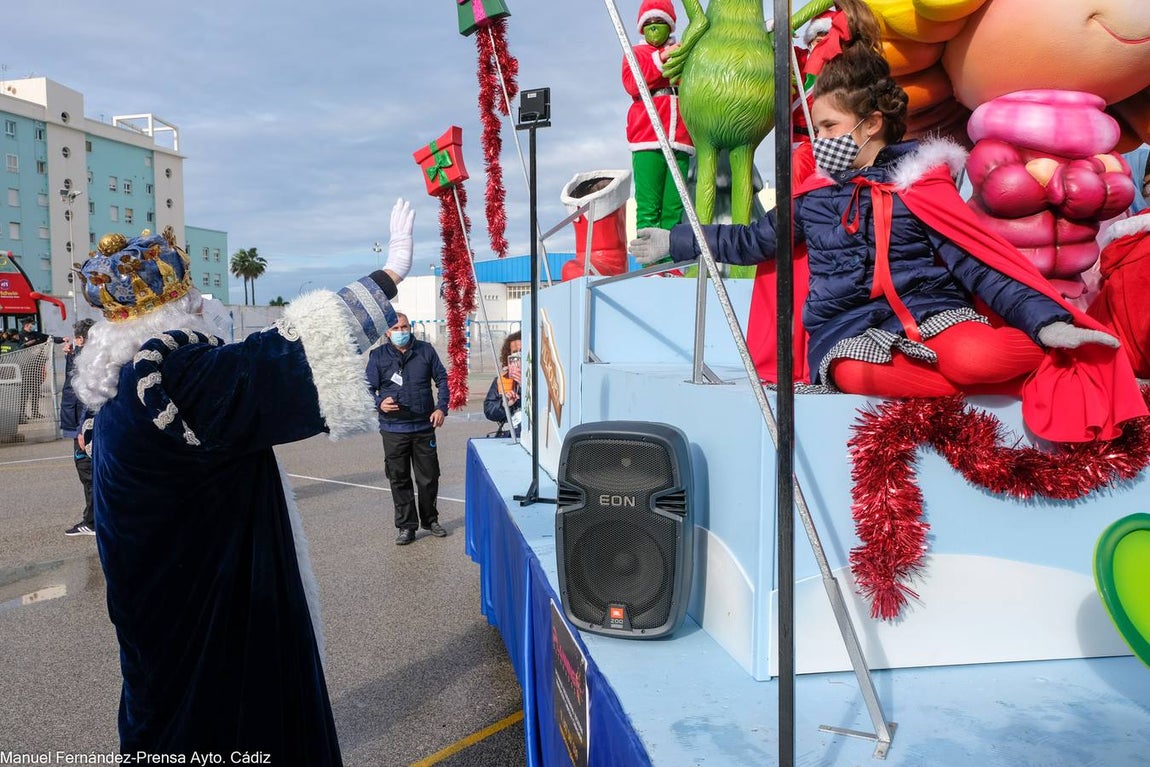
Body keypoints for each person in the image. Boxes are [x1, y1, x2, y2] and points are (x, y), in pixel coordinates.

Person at [631, 45, 1146, 443]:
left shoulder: (922, 185)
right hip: (848, 327)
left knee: (975, 362)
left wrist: (1046, 320)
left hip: (933, 313)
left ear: (870, 124)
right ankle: (962, 389)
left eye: (829, 126)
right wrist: (679, 240)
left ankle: (1055, 354)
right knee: (851, 374)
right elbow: (751, 241)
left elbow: (978, 265)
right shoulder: (810, 197)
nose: (819, 139)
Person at [72, 198, 416, 763]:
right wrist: (390, 273)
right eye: (194, 298)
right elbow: (279, 359)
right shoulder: (168, 373)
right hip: (213, 620)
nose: (205, 304)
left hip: (155, 615)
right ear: (176, 308)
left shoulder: (113, 391)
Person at [366, 312, 450, 545]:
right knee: (398, 477)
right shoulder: (378, 356)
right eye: (396, 328)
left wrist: (441, 408)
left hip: (424, 426)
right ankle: (406, 527)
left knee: (428, 477)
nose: (401, 332)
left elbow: (442, 380)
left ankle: (430, 520)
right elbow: (366, 388)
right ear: (387, 332)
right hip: (393, 429)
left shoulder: (426, 350)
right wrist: (379, 403)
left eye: (405, 327)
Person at [623, 0, 694, 232]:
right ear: (642, 27)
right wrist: (662, 57)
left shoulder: (684, 53)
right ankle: (651, 265)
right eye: (650, 22)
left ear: (670, 25)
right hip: (647, 135)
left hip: (681, 138)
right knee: (648, 207)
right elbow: (633, 85)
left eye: (660, 21)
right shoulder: (635, 53)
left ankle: (671, 264)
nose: (654, 26)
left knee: (674, 207)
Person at [61, 318, 96, 537]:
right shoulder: (84, 357)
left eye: (76, 337)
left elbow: (86, 397)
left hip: (82, 426)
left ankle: (91, 522)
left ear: (81, 339)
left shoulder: (89, 361)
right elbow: (71, 384)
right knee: (89, 473)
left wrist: (83, 429)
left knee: (88, 474)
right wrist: (69, 356)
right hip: (79, 424)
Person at [484, 330, 522, 436]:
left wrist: (524, 385)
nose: (518, 355)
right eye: (514, 352)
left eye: (522, 350)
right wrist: (505, 404)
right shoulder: (502, 380)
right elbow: (489, 410)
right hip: (508, 435)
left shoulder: (539, 379)